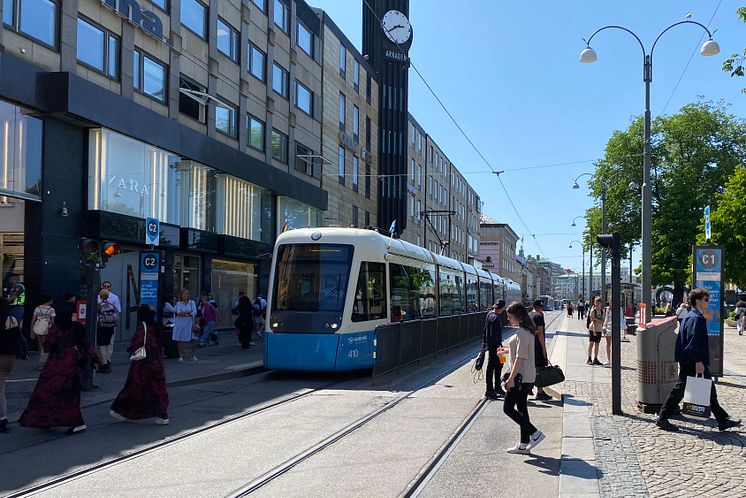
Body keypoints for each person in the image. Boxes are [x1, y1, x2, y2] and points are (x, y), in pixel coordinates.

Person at [656, 288, 742, 433]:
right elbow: (692, 342)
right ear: (698, 301)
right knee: (680, 390)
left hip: (689, 360)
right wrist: (698, 361)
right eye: (706, 300)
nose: (708, 302)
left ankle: (722, 420)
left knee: (709, 390)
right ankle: (662, 418)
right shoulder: (696, 318)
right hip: (693, 361)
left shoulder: (691, 316)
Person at [19, 305, 99, 435]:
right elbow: (87, 344)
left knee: (47, 392)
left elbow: (47, 346)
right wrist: (95, 359)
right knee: (70, 396)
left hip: (55, 365)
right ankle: (75, 422)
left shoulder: (57, 329)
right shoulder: (78, 328)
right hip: (73, 366)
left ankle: (47, 419)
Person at [110, 305, 169, 425]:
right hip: (156, 362)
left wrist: (130, 350)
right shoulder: (155, 326)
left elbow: (137, 343)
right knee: (157, 388)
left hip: (142, 363)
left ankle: (122, 410)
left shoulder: (143, 327)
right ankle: (162, 414)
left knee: (134, 387)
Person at [498, 301, 545, 454]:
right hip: (525, 376)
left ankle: (535, 433)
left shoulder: (522, 333)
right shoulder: (525, 331)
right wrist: (505, 351)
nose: (508, 319)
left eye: (510, 316)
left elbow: (520, 357)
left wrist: (510, 378)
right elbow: (518, 353)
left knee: (508, 408)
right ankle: (524, 444)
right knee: (522, 408)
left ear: (517, 317)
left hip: (520, 377)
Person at [1, 298, 24, 433]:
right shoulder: (12, 320)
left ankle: (1, 418)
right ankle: (2, 417)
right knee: (1, 387)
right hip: (8, 357)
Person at [482, 300, 506, 400]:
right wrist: (499, 348)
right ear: (502, 308)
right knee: (496, 366)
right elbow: (493, 335)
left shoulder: (489, 314)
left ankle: (494, 388)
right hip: (496, 346)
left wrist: (485, 342)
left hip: (492, 345)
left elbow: (485, 330)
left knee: (495, 366)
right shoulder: (495, 318)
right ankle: (491, 389)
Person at [529, 299, 552, 401]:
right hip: (537, 346)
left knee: (530, 367)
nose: (542, 309)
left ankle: (529, 388)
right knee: (540, 368)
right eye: (541, 307)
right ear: (539, 307)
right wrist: (544, 350)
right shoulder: (539, 316)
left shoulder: (528, 315)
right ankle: (540, 392)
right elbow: (541, 334)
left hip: (528, 345)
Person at [31, 295, 55, 370]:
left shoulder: (37, 308)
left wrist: (32, 330)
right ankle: (43, 362)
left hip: (38, 327)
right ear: (50, 301)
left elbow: (33, 319)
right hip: (46, 328)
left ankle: (40, 361)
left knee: (40, 345)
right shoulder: (51, 309)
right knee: (46, 345)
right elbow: (52, 321)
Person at [96, 289, 118, 373]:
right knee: (107, 345)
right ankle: (107, 360)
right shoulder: (111, 305)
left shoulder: (99, 305)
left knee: (102, 346)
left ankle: (104, 364)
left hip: (102, 327)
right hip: (111, 327)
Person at [98, 281, 121, 360]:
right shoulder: (98, 297)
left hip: (108, 323)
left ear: (111, 287)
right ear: (102, 286)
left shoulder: (114, 297)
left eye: (108, 286)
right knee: (105, 343)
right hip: (103, 323)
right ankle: (104, 359)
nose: (106, 288)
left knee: (109, 343)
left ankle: (107, 359)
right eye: (105, 286)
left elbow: (118, 310)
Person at [173, 289, 198, 362]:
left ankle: (193, 355)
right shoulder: (178, 303)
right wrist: (188, 313)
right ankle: (181, 356)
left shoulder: (192, 302)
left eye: (186, 294)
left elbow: (194, 312)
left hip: (189, 323)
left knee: (192, 339)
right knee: (180, 339)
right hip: (180, 324)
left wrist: (185, 313)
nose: (185, 296)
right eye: (183, 294)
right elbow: (178, 313)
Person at [587, 297, 603, 366]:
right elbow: (592, 320)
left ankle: (595, 358)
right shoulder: (593, 311)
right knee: (591, 343)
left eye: (598, 302)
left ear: (600, 303)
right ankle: (589, 358)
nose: (597, 304)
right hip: (592, 329)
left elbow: (602, 321)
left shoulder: (602, 311)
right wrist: (594, 331)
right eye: (596, 302)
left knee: (597, 344)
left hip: (599, 329)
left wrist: (596, 319)